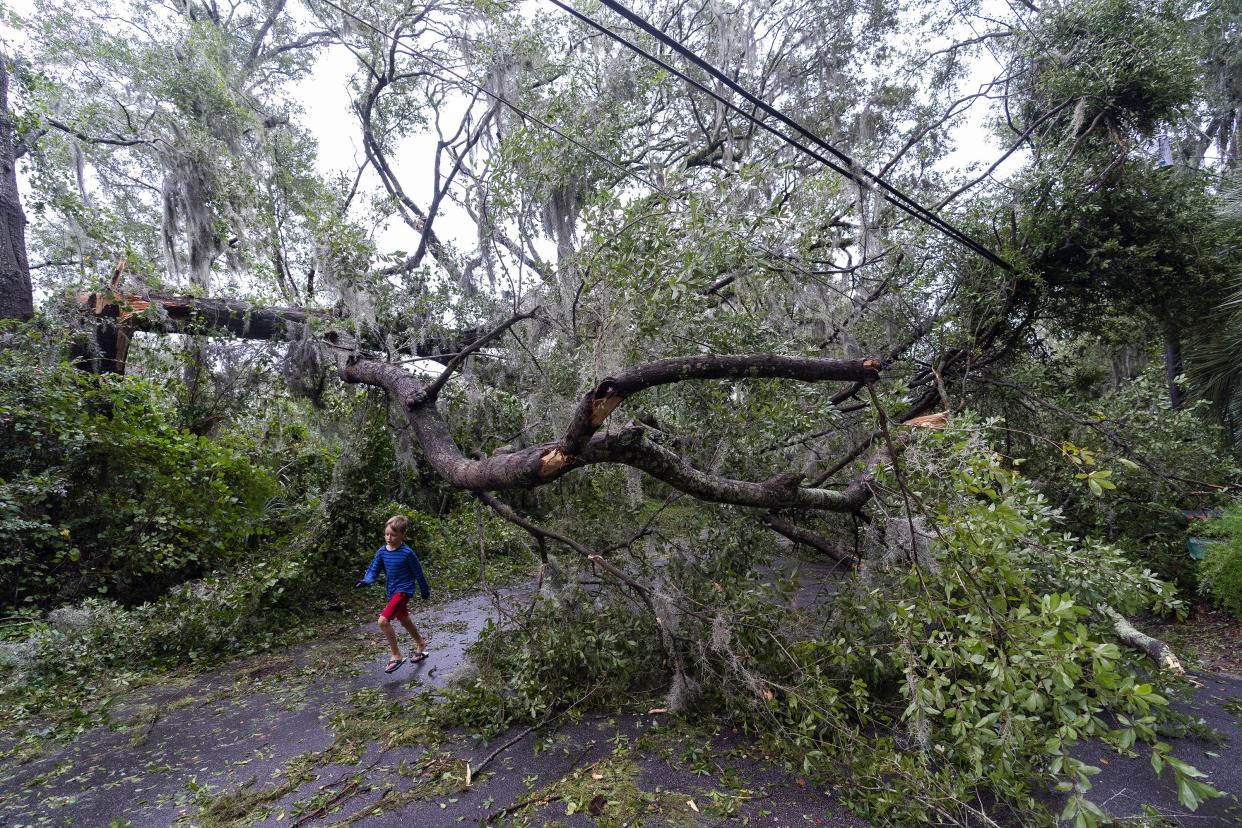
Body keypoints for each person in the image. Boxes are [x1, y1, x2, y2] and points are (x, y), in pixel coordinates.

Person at [356, 515, 431, 673]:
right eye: (387, 534)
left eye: (393, 535)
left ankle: (396, 655)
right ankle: (421, 643)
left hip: (403, 591)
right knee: (404, 620)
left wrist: (424, 590)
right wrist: (366, 581)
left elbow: (418, 573)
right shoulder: (382, 552)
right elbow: (373, 570)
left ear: (403, 535)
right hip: (392, 591)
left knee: (383, 622)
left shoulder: (407, 553)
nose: (389, 538)